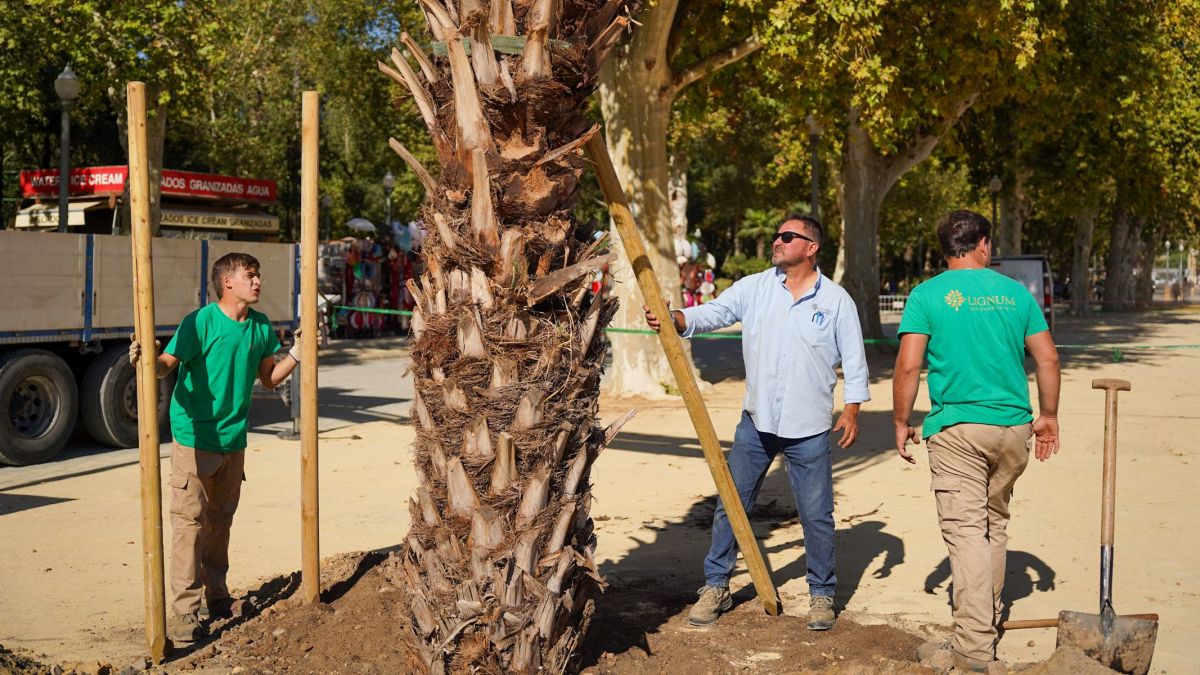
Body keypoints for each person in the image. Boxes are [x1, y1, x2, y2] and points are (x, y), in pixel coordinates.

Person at [644, 214, 870, 630]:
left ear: (811, 246)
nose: (777, 241)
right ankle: (716, 586)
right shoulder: (755, 288)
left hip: (811, 428)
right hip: (757, 422)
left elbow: (854, 359)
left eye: (787, 236)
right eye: (777, 234)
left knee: (816, 514)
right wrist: (674, 317)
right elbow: (711, 313)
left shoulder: (836, 300)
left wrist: (853, 407)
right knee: (731, 505)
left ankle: (821, 594)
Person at [892, 210, 1061, 672]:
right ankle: (985, 620)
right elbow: (1047, 359)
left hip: (958, 430)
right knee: (994, 524)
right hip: (1012, 429)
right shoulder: (1015, 294)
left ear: (944, 247)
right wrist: (1048, 416)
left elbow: (909, 365)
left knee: (967, 534)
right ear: (983, 244)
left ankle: (972, 649)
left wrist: (901, 420)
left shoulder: (926, 295)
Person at [129, 252, 309, 644]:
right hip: (194, 437)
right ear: (228, 282)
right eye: (250, 275)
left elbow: (269, 379)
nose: (258, 281)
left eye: (258, 274)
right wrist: (147, 361)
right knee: (188, 525)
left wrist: (297, 353)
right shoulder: (200, 322)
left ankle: (219, 596)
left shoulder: (260, 327)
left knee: (220, 521)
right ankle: (183, 613)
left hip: (233, 439)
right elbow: (166, 364)